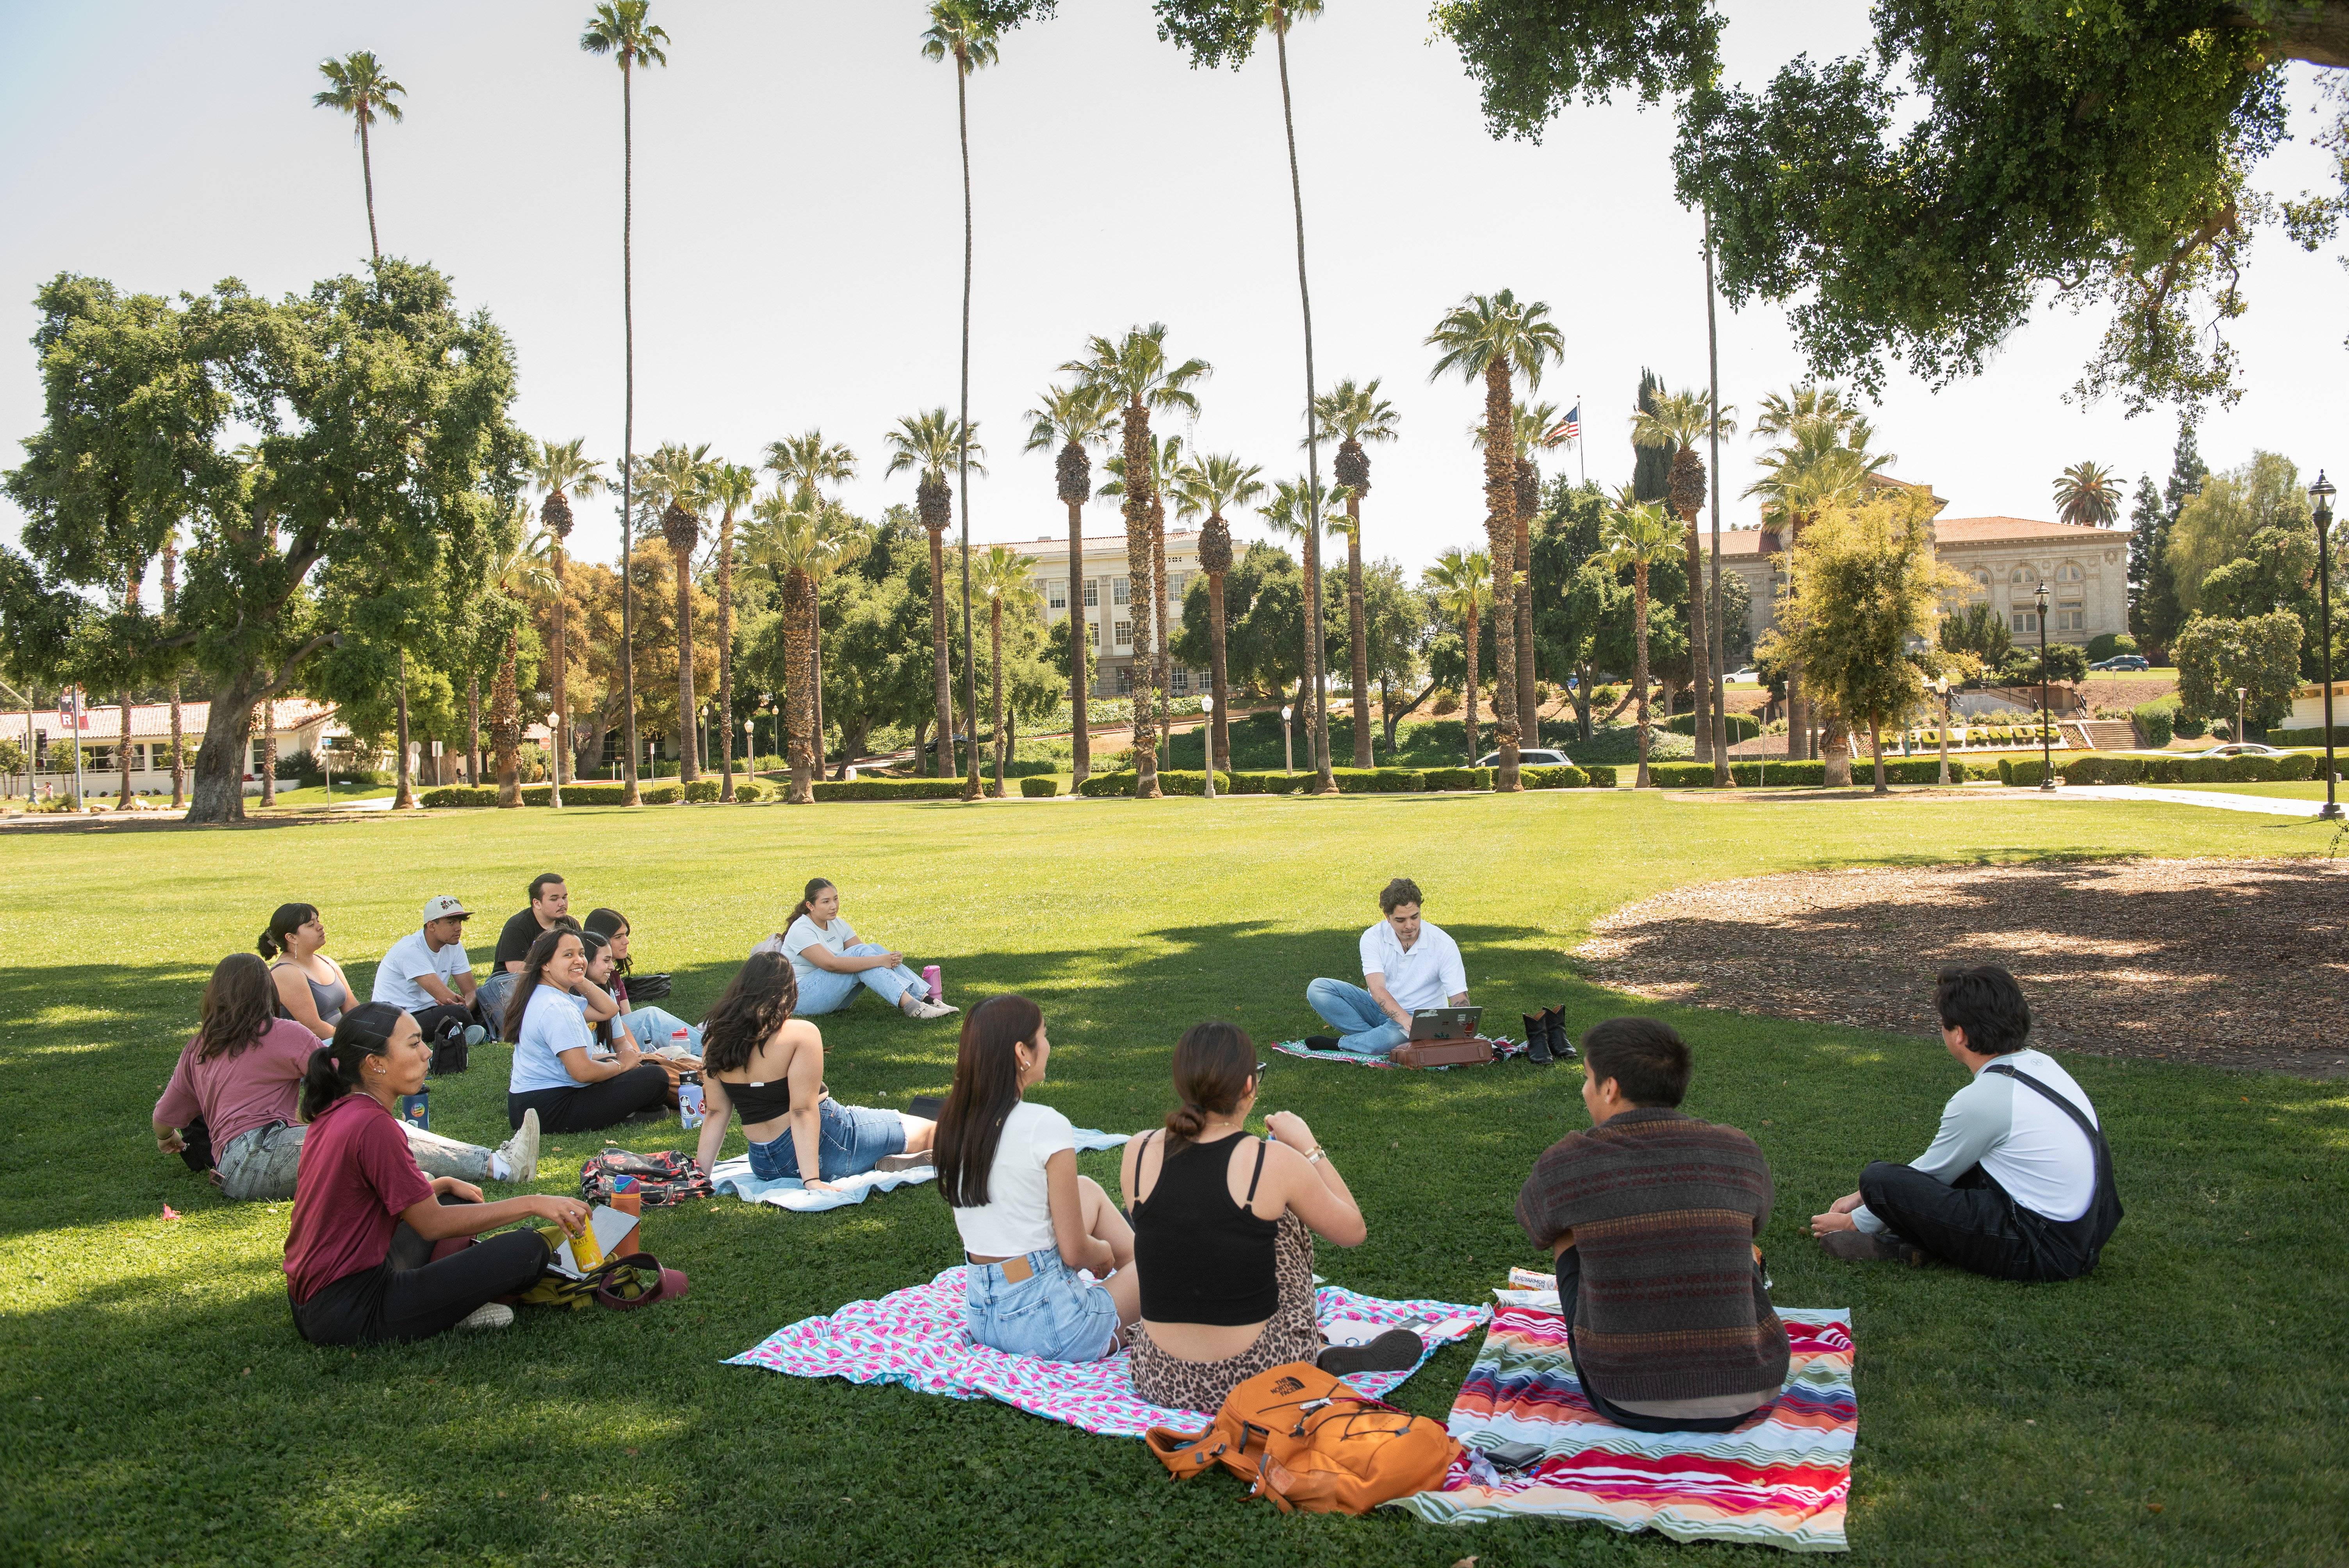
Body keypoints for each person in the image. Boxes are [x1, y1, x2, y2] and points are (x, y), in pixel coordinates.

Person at [1120, 1023, 1411, 1413]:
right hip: (1257, 1379)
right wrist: (1309, 1148)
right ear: (1247, 1085)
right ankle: (1315, 1349)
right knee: (1279, 1220)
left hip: (1159, 1376)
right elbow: (1352, 1230)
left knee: (1236, 1221)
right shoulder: (1270, 1161)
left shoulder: (1137, 1150)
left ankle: (1320, 1350)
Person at [1516, 1017, 1788, 1433]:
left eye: (1587, 1078)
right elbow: (1757, 1222)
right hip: (1750, 1386)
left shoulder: (1570, 1160)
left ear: (1611, 1087)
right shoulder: (1739, 1148)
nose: (1584, 1090)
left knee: (1567, 1230)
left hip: (1624, 1394)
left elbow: (1536, 1225)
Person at [284, 1001, 589, 1344]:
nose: (427, 1053)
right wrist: (534, 1203)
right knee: (527, 1250)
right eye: (414, 1044)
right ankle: (450, 1310)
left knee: (450, 1197)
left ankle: (444, 1302)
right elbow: (432, 1225)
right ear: (376, 1064)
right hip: (351, 1310)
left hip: (313, 1301)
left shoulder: (340, 1110)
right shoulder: (373, 1125)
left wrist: (439, 1185)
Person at [1811, 966, 2121, 1281]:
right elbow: (1945, 1168)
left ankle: (1903, 1240)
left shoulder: (1983, 1098)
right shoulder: (2043, 1066)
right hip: (2087, 1235)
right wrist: (1863, 1198)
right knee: (1920, 1181)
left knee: (1880, 1179)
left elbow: (1933, 1175)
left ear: (1960, 1034)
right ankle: (1912, 1243)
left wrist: (1858, 1218)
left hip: (2042, 1250)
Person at [154, 954, 538, 1201]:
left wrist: (168, 1138)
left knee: (370, 1143)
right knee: (378, 1131)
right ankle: (501, 1164)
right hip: (262, 1153)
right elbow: (343, 1077)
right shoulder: (279, 1033)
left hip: (232, 1168)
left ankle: (416, 1174)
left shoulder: (198, 1046)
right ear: (266, 991)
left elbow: (165, 1116)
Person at [936, 994, 1139, 1361]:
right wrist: (1104, 1251)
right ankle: (1133, 1293)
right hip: (1053, 1325)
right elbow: (1076, 1252)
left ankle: (1126, 1287)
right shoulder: (1046, 1125)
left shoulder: (956, 1125)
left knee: (1087, 1191)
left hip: (984, 1315)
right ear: (1022, 1053)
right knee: (1156, 1266)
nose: (1048, 1045)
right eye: (1044, 1036)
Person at [692, 951, 936, 1190]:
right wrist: (812, 1181)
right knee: (931, 1131)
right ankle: (931, 1155)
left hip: (764, 1162)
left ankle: (902, 1160)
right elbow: (802, 1110)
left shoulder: (714, 1040)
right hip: (828, 1145)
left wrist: (699, 1178)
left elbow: (716, 1112)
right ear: (788, 991)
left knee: (871, 1119)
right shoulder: (800, 1034)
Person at [504, 927, 672, 1133]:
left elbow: (609, 1010)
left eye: (582, 954)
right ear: (545, 964)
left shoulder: (548, 994)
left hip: (529, 1104)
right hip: (549, 1109)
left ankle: (634, 1112)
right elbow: (582, 1072)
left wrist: (579, 977)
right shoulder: (558, 1007)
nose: (579, 960)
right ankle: (635, 1113)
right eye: (569, 955)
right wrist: (622, 1066)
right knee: (655, 1077)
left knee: (636, 1070)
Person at [1303, 877, 1468, 1057]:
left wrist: (1459, 1024)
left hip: (1422, 1019)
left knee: (1388, 1039)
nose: (1410, 925)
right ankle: (1370, 1041)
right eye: (1400, 920)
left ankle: (1344, 1044)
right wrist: (1403, 1020)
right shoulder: (1372, 937)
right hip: (1381, 1009)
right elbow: (1377, 989)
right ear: (1387, 917)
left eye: (1415, 916)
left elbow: (1459, 996)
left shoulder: (1443, 943)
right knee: (1318, 989)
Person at [752, 878, 956, 1020]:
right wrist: (882, 960)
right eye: (826, 902)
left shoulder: (838, 924)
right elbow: (830, 965)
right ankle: (914, 1008)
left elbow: (866, 952)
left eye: (836, 899)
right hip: (801, 998)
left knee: (872, 949)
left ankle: (928, 1000)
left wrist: (885, 958)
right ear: (810, 906)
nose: (834, 906)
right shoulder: (801, 929)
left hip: (832, 996)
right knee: (867, 955)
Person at [370, 895, 490, 1052]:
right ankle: (476, 1029)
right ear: (432, 926)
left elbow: (471, 991)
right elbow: (446, 998)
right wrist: (464, 1009)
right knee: (458, 1012)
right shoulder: (410, 950)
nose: (459, 928)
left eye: (460, 922)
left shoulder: (454, 945)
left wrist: (467, 1005)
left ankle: (468, 1029)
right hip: (397, 1019)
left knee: (487, 998)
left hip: (432, 1010)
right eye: (451, 922)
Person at [581, 906, 703, 1054]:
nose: (626, 941)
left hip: (617, 1034)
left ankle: (708, 1045)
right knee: (649, 1018)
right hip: (599, 1040)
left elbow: (626, 1016)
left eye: (626, 935)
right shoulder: (581, 985)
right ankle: (714, 1052)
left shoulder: (611, 975)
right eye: (618, 937)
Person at [480, 873, 570, 1030]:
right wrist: (553, 975)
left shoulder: (569, 924)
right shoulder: (518, 926)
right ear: (537, 903)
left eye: (565, 897)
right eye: (554, 899)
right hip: (517, 986)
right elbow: (515, 968)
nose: (562, 903)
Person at [260, 903, 353, 1041]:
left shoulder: (327, 962)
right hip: (314, 1051)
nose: (320, 927)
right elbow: (314, 1027)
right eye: (311, 925)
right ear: (292, 938)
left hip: (338, 1042)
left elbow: (353, 1009)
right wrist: (356, 1041)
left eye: (318, 921)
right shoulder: (286, 972)